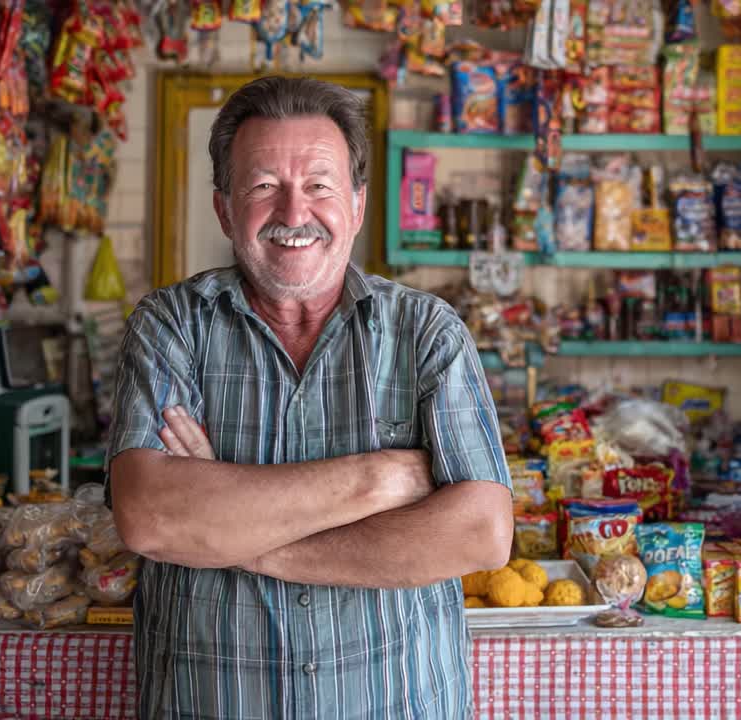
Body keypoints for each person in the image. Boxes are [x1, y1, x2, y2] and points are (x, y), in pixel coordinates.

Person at [107, 76, 513, 719]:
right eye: (264, 186)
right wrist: (378, 480)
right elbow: (150, 517)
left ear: (355, 204)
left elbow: (481, 536)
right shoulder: (170, 325)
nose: (294, 214)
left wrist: (232, 534)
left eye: (319, 186)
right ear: (223, 208)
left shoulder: (427, 332)